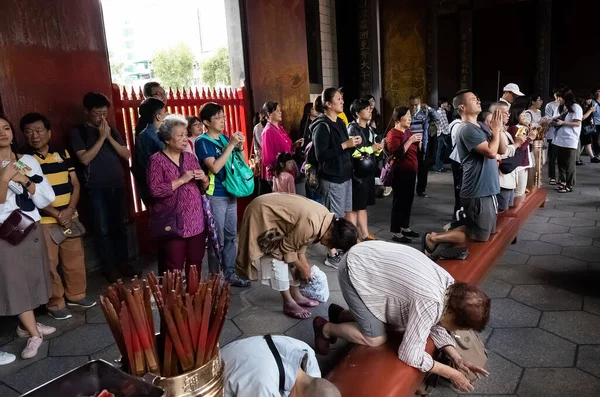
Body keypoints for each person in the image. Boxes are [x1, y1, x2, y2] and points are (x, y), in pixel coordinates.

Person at [312, 241, 491, 393]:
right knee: (375, 339)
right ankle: (325, 328)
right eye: (458, 326)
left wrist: (457, 357)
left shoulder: (451, 289)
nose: (455, 330)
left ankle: (340, 315)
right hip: (354, 269)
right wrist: (451, 373)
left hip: (367, 254)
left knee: (397, 324)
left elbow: (434, 323)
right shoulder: (432, 302)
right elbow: (409, 354)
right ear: (454, 315)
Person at [20, 113, 96, 321]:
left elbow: (76, 183)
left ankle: (77, 294)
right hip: (44, 220)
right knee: (49, 264)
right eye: (28, 132)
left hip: (69, 216)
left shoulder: (61, 152)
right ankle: (56, 303)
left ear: (48, 132)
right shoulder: (22, 159)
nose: (34, 136)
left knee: (75, 258)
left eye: (38, 130)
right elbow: (28, 191)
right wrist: (55, 213)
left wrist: (70, 209)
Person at [236, 193, 359, 319]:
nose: (329, 246)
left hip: (274, 214)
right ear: (330, 235)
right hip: (262, 213)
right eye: (331, 244)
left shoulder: (327, 221)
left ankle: (296, 295)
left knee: (294, 260)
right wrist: (302, 268)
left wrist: (304, 265)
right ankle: (288, 302)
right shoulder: (312, 224)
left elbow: (301, 242)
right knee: (277, 256)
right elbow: (286, 248)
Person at [0, 115, 57, 360]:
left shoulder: (28, 161)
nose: (3, 133)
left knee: (35, 277)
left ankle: (25, 326)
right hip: (6, 231)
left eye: (5, 128)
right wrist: (3, 178)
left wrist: (24, 180)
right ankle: (35, 334)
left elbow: (46, 197)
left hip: (30, 225)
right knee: (15, 282)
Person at [423, 90, 506, 254]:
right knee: (478, 235)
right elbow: (490, 152)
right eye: (473, 99)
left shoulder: (481, 126)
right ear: (462, 106)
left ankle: (454, 226)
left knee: (484, 231)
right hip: (477, 190)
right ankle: (433, 238)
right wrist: (495, 132)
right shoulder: (466, 129)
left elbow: (501, 149)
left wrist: (500, 128)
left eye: (477, 98)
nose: (478, 101)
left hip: (487, 188)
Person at [71, 92, 136, 282]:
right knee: (102, 228)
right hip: (96, 187)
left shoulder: (112, 130)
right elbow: (84, 159)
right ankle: (109, 267)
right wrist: (100, 138)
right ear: (87, 111)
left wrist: (108, 137)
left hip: (117, 184)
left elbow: (126, 154)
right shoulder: (79, 132)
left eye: (104, 113)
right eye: (98, 113)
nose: (102, 117)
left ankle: (123, 262)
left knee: (120, 227)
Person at [195, 102, 250, 287]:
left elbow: (239, 163)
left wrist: (239, 147)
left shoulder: (225, 139)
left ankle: (230, 274)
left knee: (231, 236)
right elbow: (215, 167)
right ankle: (214, 278)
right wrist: (231, 145)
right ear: (206, 122)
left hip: (230, 192)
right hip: (215, 194)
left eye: (223, 117)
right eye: (218, 118)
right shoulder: (202, 142)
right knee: (215, 238)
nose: (222, 121)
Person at [147, 115, 209, 272]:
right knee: (173, 268)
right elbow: (155, 190)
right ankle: (174, 297)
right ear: (167, 139)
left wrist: (204, 178)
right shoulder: (156, 161)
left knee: (195, 265)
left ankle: (193, 296)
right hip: (172, 222)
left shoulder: (189, 157)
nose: (184, 139)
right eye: (180, 135)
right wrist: (181, 180)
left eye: (186, 135)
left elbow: (205, 186)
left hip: (195, 221)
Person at [310, 87, 361, 268]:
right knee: (333, 216)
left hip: (344, 175)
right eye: (338, 99)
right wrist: (344, 144)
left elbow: (344, 147)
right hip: (332, 178)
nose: (342, 101)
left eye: (342, 98)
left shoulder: (339, 122)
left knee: (344, 213)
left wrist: (352, 145)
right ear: (328, 104)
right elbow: (320, 155)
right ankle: (331, 254)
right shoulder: (321, 126)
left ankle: (341, 246)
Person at [222, 335, 340, 397]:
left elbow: (318, 389)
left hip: (242, 357)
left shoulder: (306, 353)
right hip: (212, 383)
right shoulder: (264, 385)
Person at [347, 98, 382, 241]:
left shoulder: (369, 129)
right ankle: (353, 236)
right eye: (366, 109)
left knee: (363, 206)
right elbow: (353, 152)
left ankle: (365, 234)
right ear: (357, 113)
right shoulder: (352, 128)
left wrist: (379, 149)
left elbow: (374, 150)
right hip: (357, 174)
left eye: (370, 108)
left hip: (367, 172)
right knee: (355, 207)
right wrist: (371, 149)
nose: (370, 111)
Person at [385, 106, 422, 244]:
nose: (410, 119)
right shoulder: (393, 134)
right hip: (400, 172)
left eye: (410, 116)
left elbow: (412, 151)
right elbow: (397, 153)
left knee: (408, 201)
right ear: (398, 118)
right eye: (407, 116)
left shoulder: (407, 132)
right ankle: (396, 231)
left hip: (411, 171)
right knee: (399, 202)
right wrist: (411, 141)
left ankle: (405, 227)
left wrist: (418, 144)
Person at [133, 98, 167, 206]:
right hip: (160, 184)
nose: (166, 115)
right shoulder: (156, 136)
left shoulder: (144, 134)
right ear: (158, 116)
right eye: (164, 112)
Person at [260, 101, 303, 183]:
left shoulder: (280, 128)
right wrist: (277, 172)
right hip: (279, 173)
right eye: (277, 111)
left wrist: (294, 145)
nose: (280, 112)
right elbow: (267, 158)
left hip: (287, 170)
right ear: (269, 114)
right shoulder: (267, 131)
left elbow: (286, 148)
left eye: (280, 110)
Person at [552, 87, 583, 193]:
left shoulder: (576, 107)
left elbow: (577, 123)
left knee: (569, 163)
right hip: (559, 138)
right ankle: (562, 182)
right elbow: (555, 117)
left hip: (570, 139)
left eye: (560, 97)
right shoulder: (560, 107)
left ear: (566, 97)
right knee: (560, 162)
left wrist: (562, 123)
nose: (559, 99)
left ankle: (569, 184)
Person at [409, 95, 439, 198]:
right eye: (412, 105)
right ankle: (409, 189)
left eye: (416, 105)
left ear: (420, 104)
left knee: (423, 169)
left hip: (422, 145)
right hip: (410, 145)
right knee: (410, 169)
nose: (413, 107)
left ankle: (421, 190)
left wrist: (429, 108)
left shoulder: (425, 113)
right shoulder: (407, 114)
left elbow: (437, 117)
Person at [545, 87, 563, 185]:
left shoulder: (565, 105)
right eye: (557, 95)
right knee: (552, 157)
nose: (559, 97)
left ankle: (561, 176)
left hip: (562, 135)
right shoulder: (550, 105)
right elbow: (548, 118)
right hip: (552, 134)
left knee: (561, 158)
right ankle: (552, 176)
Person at [579, 94, 599, 163]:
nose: (589, 101)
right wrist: (590, 111)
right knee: (586, 142)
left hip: (587, 127)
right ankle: (592, 157)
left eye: (590, 99)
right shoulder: (581, 106)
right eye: (588, 99)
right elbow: (581, 118)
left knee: (585, 143)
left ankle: (578, 158)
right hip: (582, 127)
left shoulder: (589, 106)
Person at [435, 98, 451, 172]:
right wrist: (448, 131)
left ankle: (440, 166)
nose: (445, 104)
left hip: (443, 132)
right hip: (442, 132)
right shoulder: (439, 112)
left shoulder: (444, 111)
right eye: (443, 103)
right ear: (440, 104)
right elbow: (442, 124)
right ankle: (439, 167)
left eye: (445, 103)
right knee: (440, 150)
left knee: (441, 150)